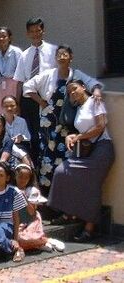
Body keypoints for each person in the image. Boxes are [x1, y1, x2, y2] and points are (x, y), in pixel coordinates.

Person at [23, 45, 103, 193]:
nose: (61, 57)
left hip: (67, 123)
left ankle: (62, 194)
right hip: (48, 122)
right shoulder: (48, 74)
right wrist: (41, 102)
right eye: (58, 54)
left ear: (71, 57)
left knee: (65, 157)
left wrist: (97, 91)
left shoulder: (76, 74)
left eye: (64, 54)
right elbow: (27, 86)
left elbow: (92, 83)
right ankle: (46, 195)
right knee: (47, 155)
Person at [49, 80, 114, 242]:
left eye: (75, 89)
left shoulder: (95, 101)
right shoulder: (79, 108)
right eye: (69, 91)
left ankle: (89, 229)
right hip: (86, 150)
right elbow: (82, 130)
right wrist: (73, 136)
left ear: (83, 87)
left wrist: (79, 136)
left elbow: (100, 126)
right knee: (61, 172)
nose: (72, 93)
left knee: (92, 185)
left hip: (102, 149)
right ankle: (68, 213)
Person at [13, 18, 58, 166]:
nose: (35, 34)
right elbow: (19, 82)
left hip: (46, 98)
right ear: (27, 34)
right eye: (32, 31)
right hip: (28, 100)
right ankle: (32, 169)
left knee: (46, 135)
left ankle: (47, 168)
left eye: (38, 30)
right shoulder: (24, 55)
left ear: (43, 31)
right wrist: (17, 104)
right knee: (31, 136)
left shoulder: (54, 51)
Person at [0, 161, 27, 262]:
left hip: (7, 226)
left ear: (7, 178)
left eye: (1, 175)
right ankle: (12, 246)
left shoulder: (13, 192)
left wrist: (16, 238)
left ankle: (17, 247)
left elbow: (16, 218)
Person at [14, 164, 65, 252]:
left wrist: (23, 196)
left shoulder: (32, 190)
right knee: (16, 239)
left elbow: (31, 212)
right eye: (20, 177)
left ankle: (45, 241)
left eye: (26, 178)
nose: (22, 180)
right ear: (15, 176)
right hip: (16, 219)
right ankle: (41, 243)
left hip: (30, 219)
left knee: (25, 238)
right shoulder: (10, 189)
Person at [0, 27, 22, 114]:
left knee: (13, 112)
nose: (1, 39)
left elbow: (21, 72)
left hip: (15, 86)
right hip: (3, 86)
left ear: (9, 38)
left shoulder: (16, 52)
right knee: (0, 112)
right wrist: (3, 82)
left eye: (4, 36)